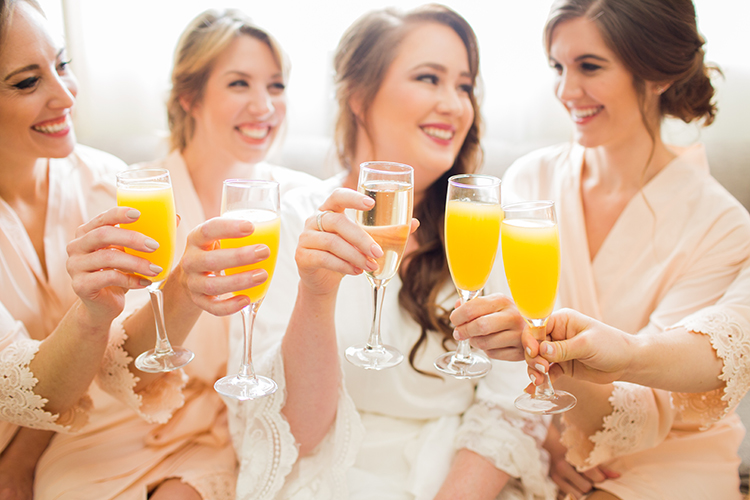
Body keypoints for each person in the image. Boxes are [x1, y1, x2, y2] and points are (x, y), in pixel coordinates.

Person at [187, 4, 555, 500]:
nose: (454, 104)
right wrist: (316, 294)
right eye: (429, 78)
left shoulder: (484, 225)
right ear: (358, 95)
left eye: (464, 86)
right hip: (326, 476)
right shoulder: (289, 220)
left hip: (459, 474)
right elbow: (294, 432)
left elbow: (506, 407)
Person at [0, 4, 307, 499]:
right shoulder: (137, 197)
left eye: (276, 85)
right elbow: (98, 358)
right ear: (189, 96)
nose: (264, 105)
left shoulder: (297, 203)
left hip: (219, 425)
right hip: (113, 424)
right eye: (238, 84)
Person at [454, 0, 750, 498]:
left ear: (656, 74)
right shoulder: (531, 178)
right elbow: (504, 345)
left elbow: (650, 407)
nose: (567, 92)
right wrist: (544, 435)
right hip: (542, 431)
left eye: (590, 66)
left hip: (667, 458)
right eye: (558, 67)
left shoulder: (720, 225)